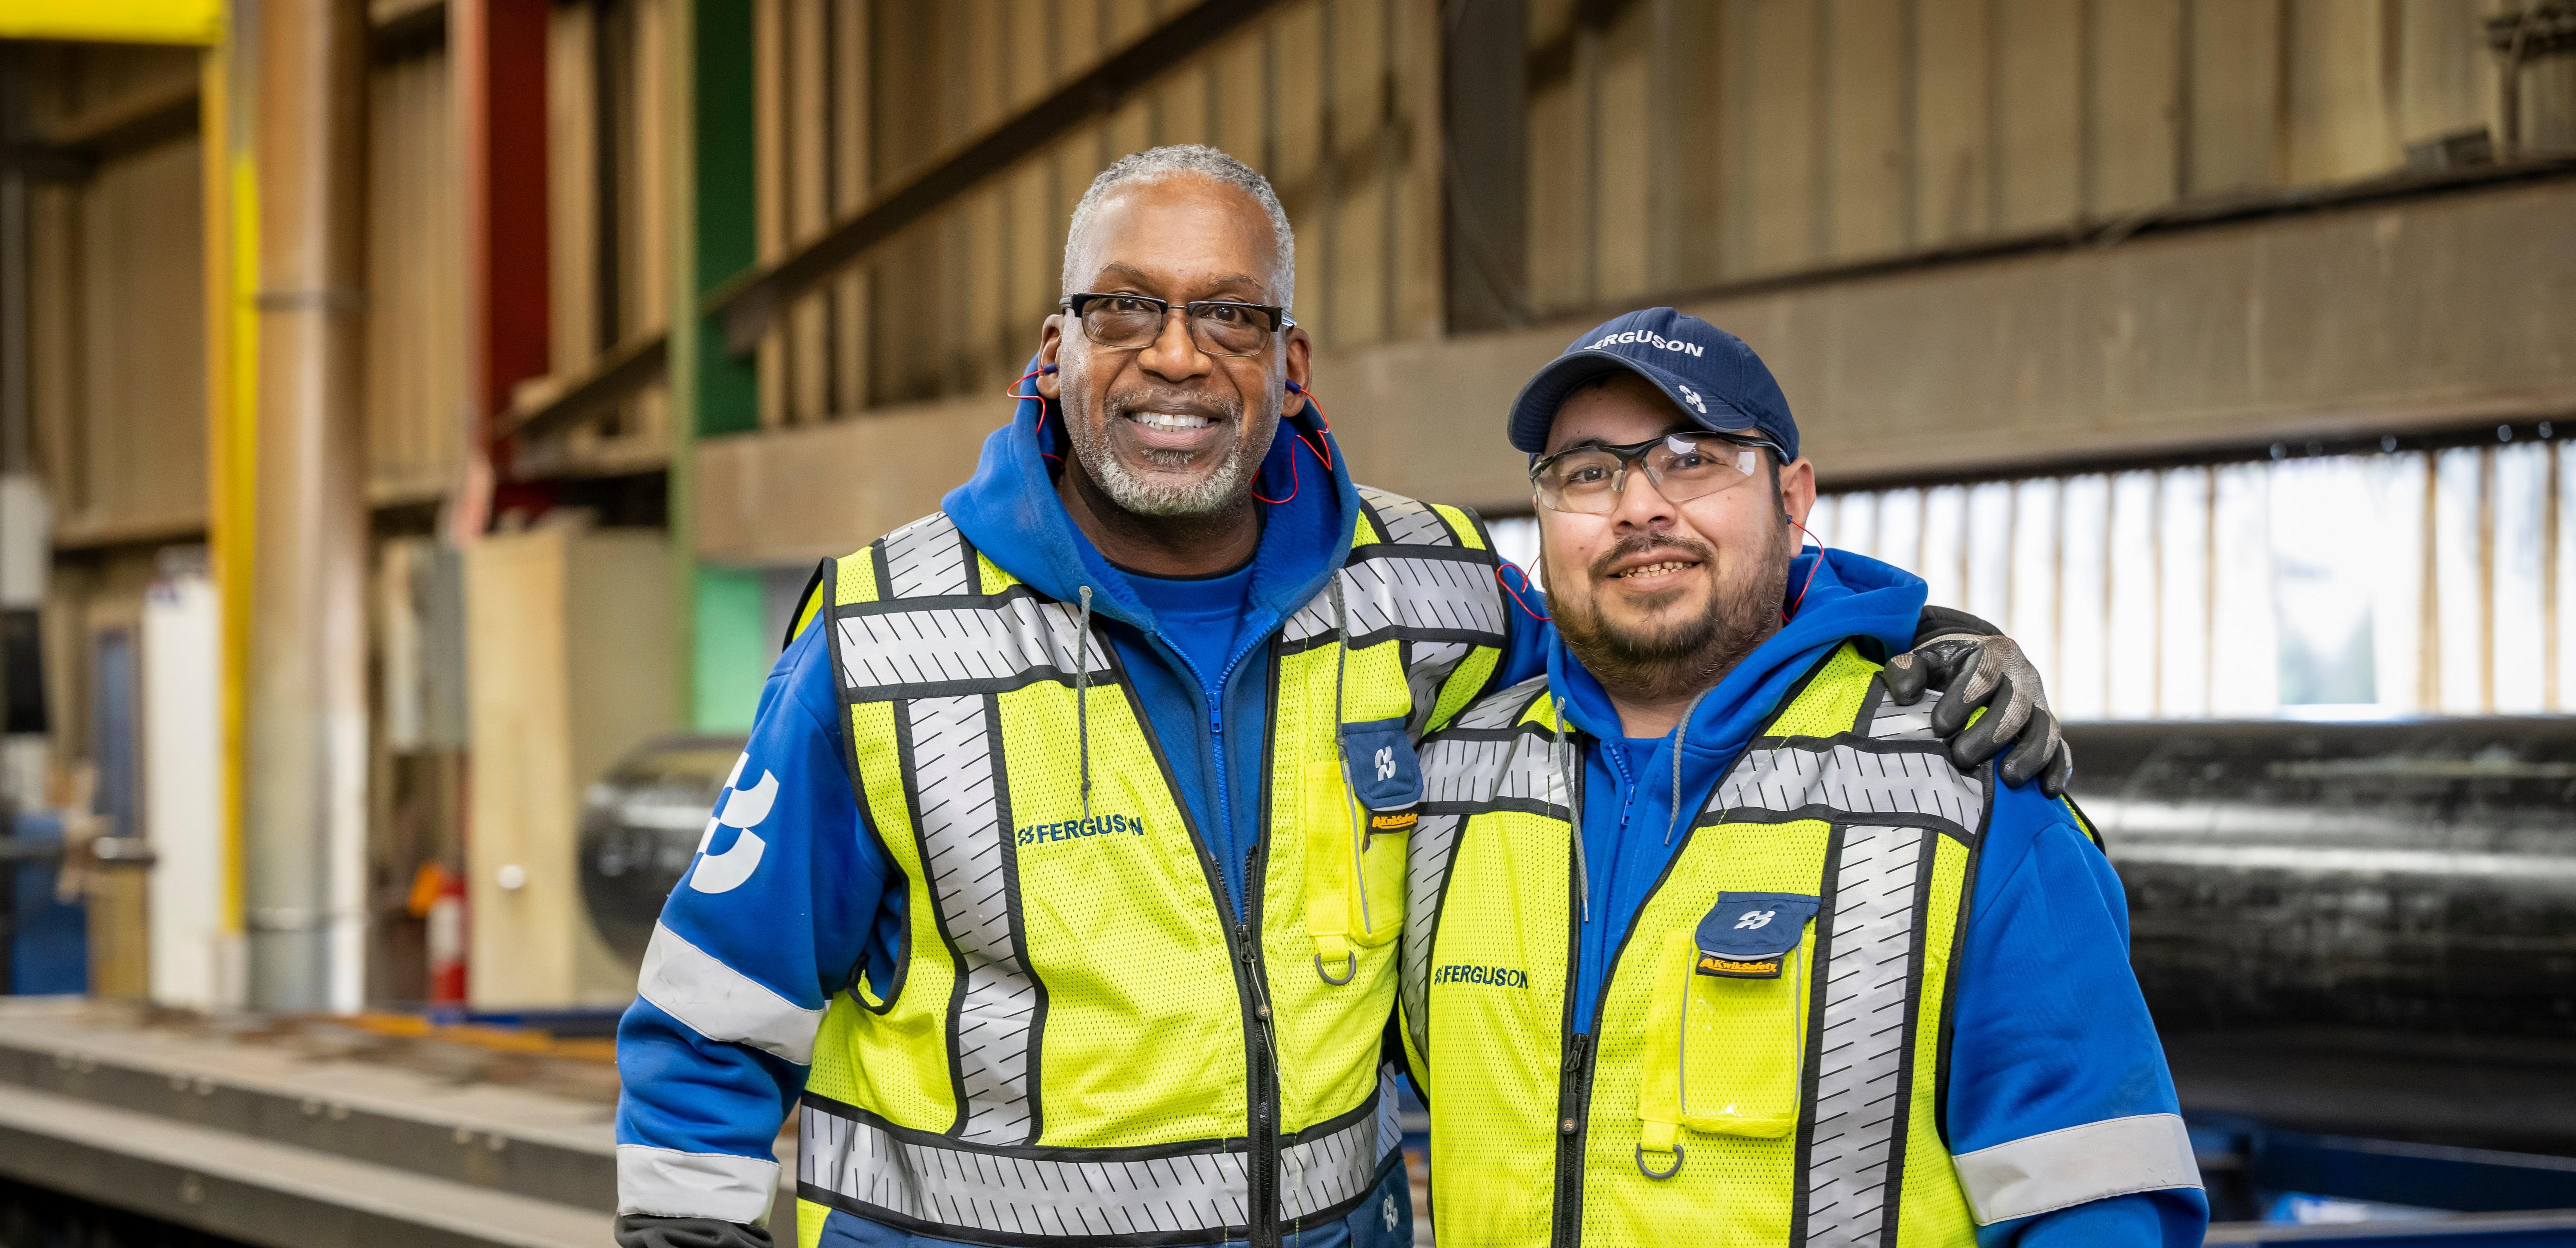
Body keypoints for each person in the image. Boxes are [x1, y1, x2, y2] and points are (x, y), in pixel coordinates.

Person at [613, 149, 2069, 1248]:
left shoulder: (1428, 592)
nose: (1175, 354)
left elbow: (1652, 632)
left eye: (1229, 316)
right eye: (1125, 307)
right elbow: (706, 1021)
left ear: (1286, 363)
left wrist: (1905, 631)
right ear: (1054, 349)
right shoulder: (888, 632)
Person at [1399, 307, 2202, 1247]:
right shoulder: (1446, 788)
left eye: (1692, 457)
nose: (1638, 505)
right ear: (1542, 521)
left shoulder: (1970, 788)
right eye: (1587, 472)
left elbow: (2095, 1199)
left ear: (1792, 497)